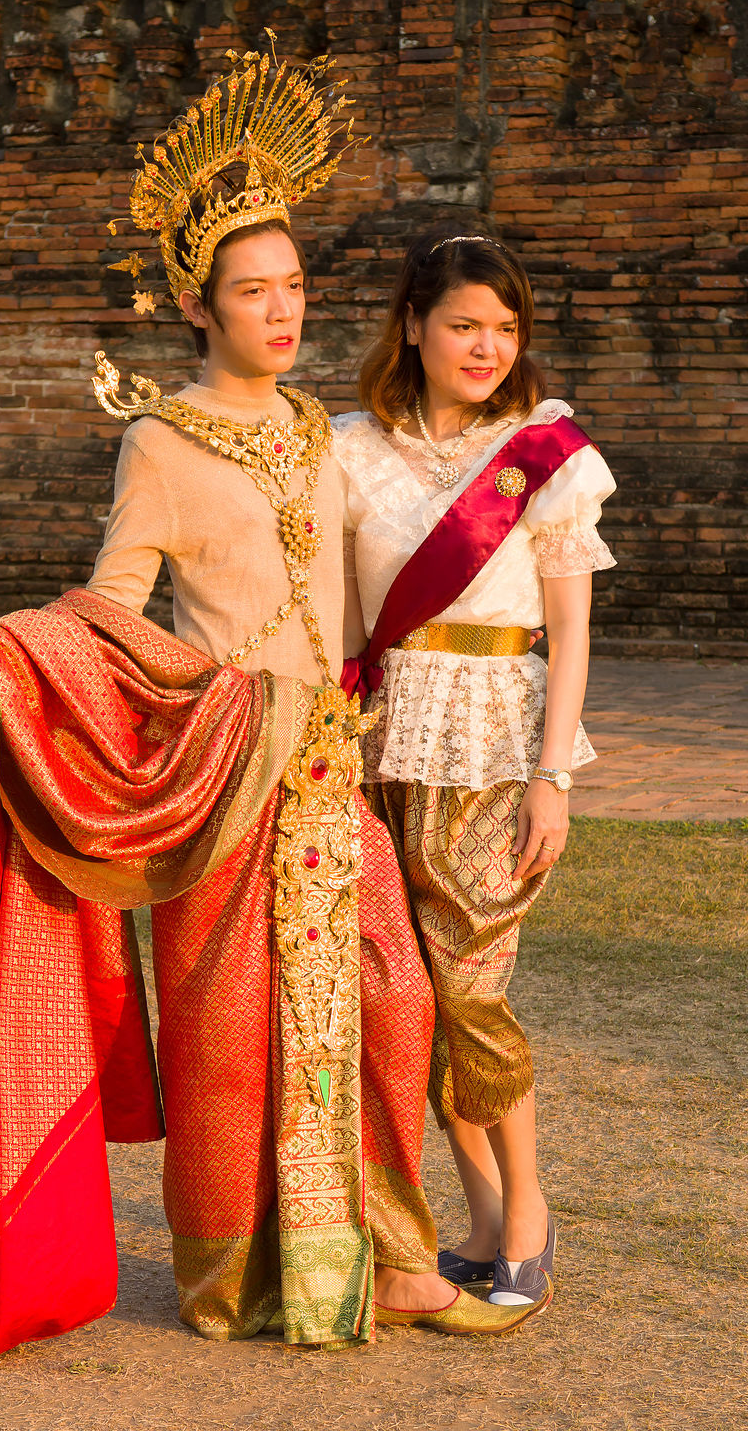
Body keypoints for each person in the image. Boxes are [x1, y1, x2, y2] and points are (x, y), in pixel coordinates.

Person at [0, 53, 546, 1366]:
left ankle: (382, 1255)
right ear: (194, 306)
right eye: (253, 293)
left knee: (391, 1006)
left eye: (294, 288)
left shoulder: (330, 435)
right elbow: (113, 602)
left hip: (331, 771)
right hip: (222, 779)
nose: (282, 312)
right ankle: (233, 1271)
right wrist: (5, 661)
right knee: (230, 1040)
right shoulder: (156, 443)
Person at [336, 232, 617, 1308]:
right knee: (407, 994)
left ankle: (531, 1211)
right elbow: (345, 614)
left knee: (473, 984)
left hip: (497, 746)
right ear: (412, 325)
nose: (487, 346)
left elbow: (572, 633)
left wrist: (557, 777)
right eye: (465, 324)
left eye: (505, 329)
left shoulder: (544, 451)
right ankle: (483, 1217)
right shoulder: (350, 448)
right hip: (375, 745)